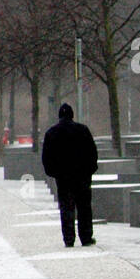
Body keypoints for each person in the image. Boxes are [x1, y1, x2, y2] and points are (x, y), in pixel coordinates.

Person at [41, 103, 98, 247]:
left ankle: (68, 238)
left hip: (63, 177)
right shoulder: (83, 130)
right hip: (82, 176)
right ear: (72, 115)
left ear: (59, 115)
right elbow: (92, 153)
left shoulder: (51, 133)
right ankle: (86, 237)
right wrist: (90, 170)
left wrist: (53, 173)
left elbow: (46, 157)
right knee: (84, 207)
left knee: (66, 207)